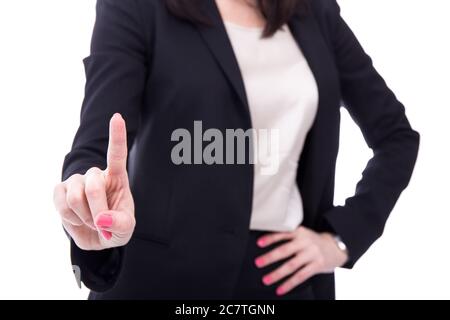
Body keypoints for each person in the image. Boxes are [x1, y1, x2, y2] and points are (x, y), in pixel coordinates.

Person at [53, 0, 420, 300]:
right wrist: (87, 193)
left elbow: (396, 137)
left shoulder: (314, 12)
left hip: (280, 276)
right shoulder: (137, 7)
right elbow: (98, 142)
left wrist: (341, 239)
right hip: (161, 276)